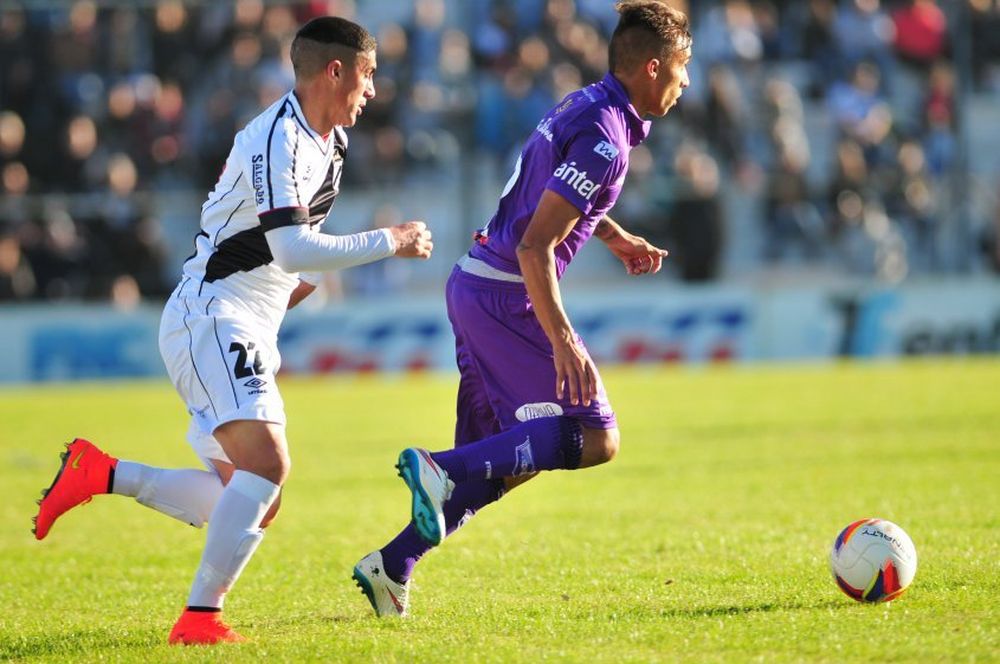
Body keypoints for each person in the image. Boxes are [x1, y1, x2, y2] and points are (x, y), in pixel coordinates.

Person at [31, 16, 433, 645]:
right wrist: (391, 239)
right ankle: (199, 618)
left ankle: (101, 473)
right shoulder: (279, 136)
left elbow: (281, 260)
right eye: (369, 75)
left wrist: (288, 294)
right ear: (336, 71)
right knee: (268, 465)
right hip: (211, 314)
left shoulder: (332, 143)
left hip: (240, 321)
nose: (373, 90)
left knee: (252, 497)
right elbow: (294, 247)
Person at [352, 0, 691, 617]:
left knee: (516, 458)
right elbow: (536, 245)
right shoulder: (608, 143)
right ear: (652, 66)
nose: (685, 81)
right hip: (506, 293)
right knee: (594, 436)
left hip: (475, 283)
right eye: (682, 66)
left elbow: (550, 196)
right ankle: (439, 466)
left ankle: (392, 565)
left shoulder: (585, 104)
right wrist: (561, 339)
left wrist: (613, 237)